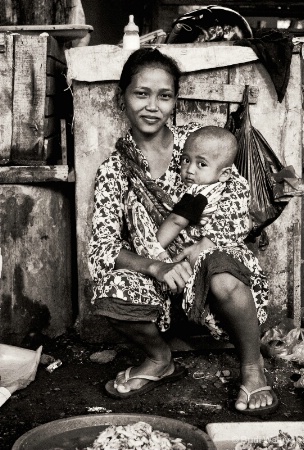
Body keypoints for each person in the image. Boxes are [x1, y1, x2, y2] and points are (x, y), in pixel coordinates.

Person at [88, 47, 278, 414]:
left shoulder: (198, 143)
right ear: (121, 97)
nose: (153, 106)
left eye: (165, 95)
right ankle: (160, 359)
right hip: (161, 269)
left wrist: (204, 245)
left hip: (213, 254)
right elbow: (104, 248)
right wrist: (157, 266)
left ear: (175, 101)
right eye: (141, 93)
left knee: (223, 274)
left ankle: (253, 369)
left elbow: (241, 200)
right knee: (110, 288)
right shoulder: (114, 170)